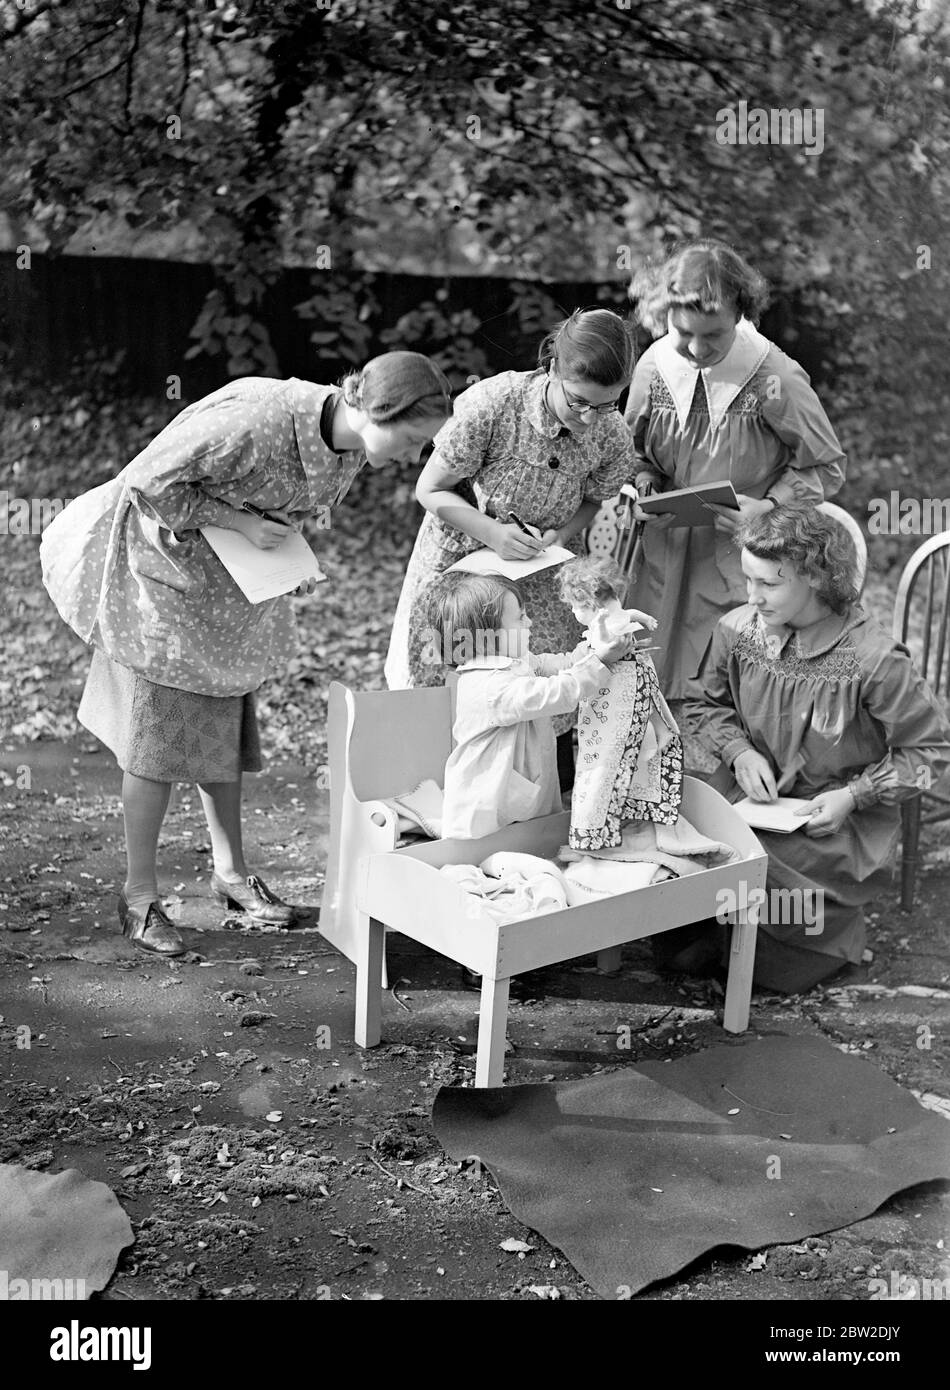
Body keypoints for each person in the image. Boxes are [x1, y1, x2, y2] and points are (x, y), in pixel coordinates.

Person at [40, 353, 452, 957]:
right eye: (414, 440)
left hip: (231, 593)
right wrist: (235, 520)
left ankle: (230, 877)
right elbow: (148, 483)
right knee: (153, 746)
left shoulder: (352, 446)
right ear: (378, 410)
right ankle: (138, 898)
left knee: (223, 732)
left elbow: (280, 516)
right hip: (165, 580)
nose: (413, 459)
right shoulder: (257, 420)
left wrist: (292, 560)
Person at [682, 503, 950, 993]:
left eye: (769, 584)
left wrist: (857, 796)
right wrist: (739, 751)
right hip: (754, 799)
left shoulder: (874, 659)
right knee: (689, 840)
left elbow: (930, 755)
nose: (752, 596)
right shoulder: (738, 630)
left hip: (833, 821)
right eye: (748, 580)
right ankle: (719, 945)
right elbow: (701, 704)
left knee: (754, 875)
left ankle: (794, 954)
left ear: (816, 577)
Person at [384, 308, 639, 788]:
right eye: (579, 402)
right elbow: (431, 489)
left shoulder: (610, 432)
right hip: (463, 558)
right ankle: (436, 794)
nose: (590, 420)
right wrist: (494, 535)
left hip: (542, 569)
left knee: (540, 678)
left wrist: (561, 535)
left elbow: (593, 499)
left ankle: (534, 797)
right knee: (456, 667)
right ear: (552, 368)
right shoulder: (492, 403)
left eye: (606, 406)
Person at [625, 238, 847, 703]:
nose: (697, 348)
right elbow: (632, 452)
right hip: (663, 557)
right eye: (684, 332)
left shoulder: (774, 377)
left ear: (740, 318)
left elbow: (825, 466)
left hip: (746, 558)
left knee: (728, 689)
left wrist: (766, 507)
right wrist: (644, 483)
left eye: (715, 335)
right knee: (647, 681)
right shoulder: (653, 366)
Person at [425, 571, 631, 841]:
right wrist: (600, 663)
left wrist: (591, 649)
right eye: (520, 618)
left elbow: (557, 665)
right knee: (489, 848)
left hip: (521, 786)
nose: (530, 622)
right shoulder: (488, 686)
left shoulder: (514, 660)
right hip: (485, 802)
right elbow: (557, 692)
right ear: (487, 636)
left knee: (532, 837)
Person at [557, 556, 682, 851]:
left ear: (591, 605)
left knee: (612, 745)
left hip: (618, 682)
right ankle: (658, 731)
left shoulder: (605, 624)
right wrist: (645, 620)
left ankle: (604, 825)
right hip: (629, 676)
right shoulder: (618, 616)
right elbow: (633, 615)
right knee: (640, 714)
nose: (575, 613)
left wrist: (600, 633)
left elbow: (603, 647)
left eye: (576, 607)